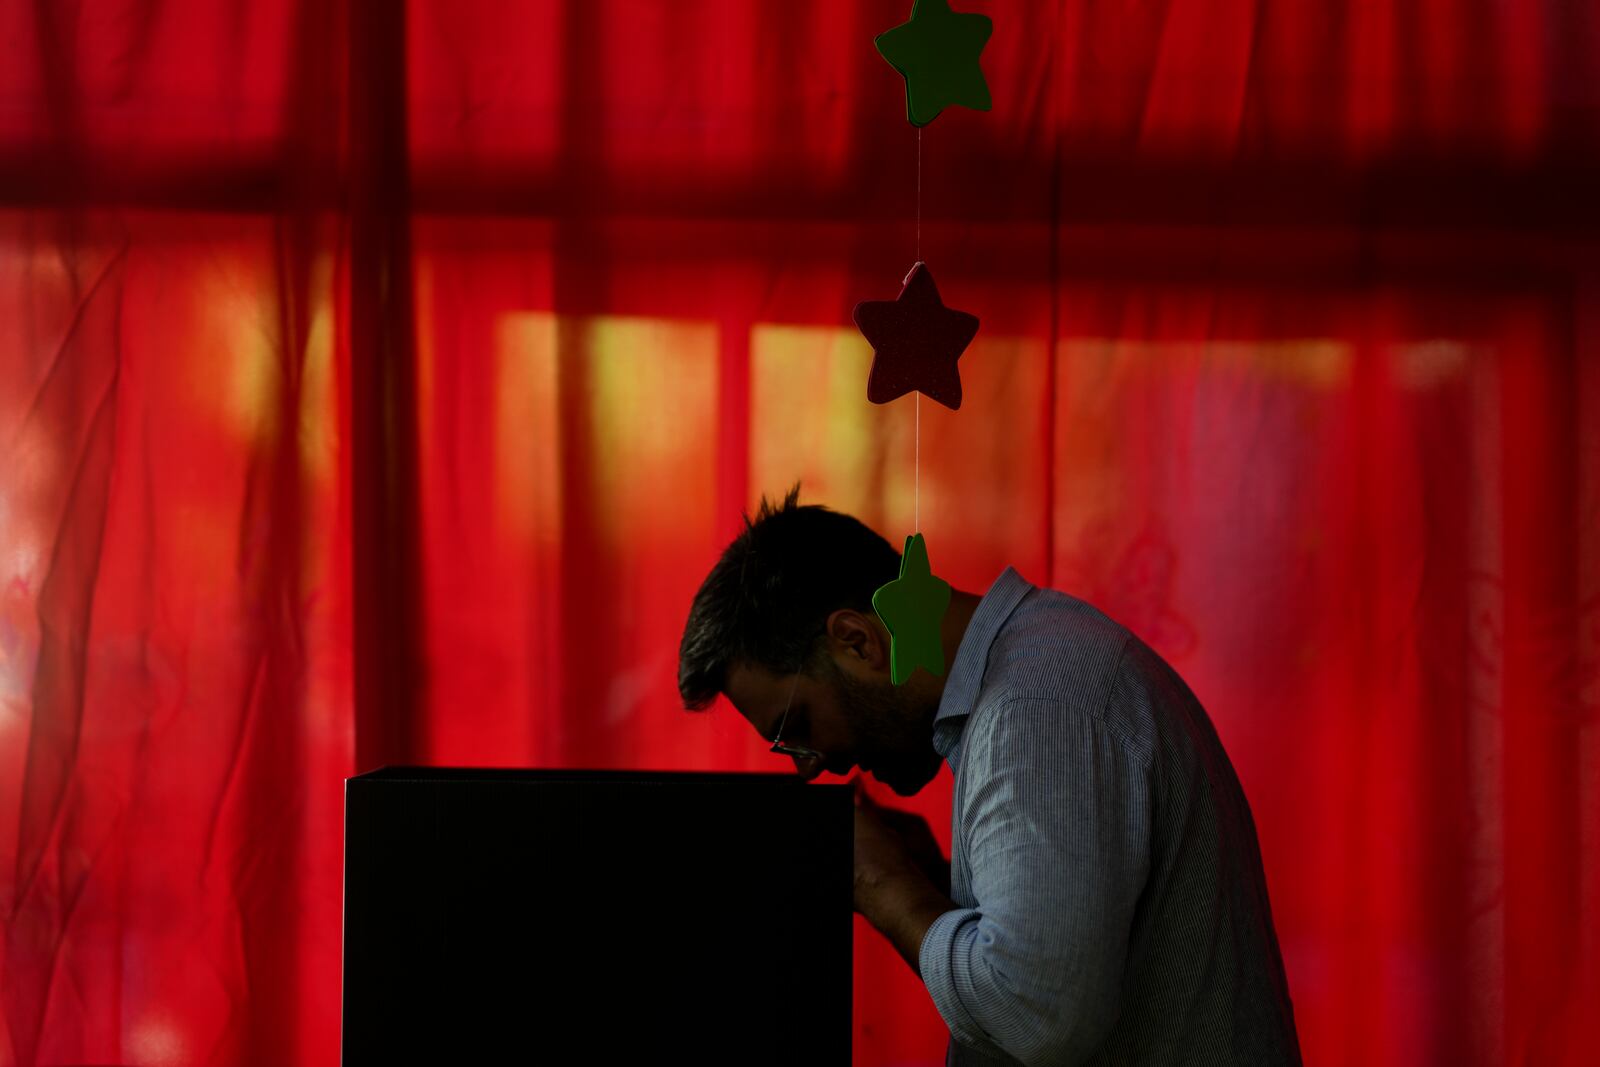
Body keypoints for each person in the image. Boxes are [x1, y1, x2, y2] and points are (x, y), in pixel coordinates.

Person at [678, 488, 1302, 1066]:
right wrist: (940, 890)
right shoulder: (1040, 670)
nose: (811, 765)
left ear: (857, 641)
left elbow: (1038, 1014)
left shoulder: (1032, 711)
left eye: (798, 726)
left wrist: (882, 882)